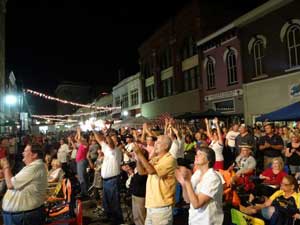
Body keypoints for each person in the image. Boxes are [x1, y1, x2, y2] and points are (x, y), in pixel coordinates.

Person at [1, 144, 48, 225]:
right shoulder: (34, 167)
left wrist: (6, 165)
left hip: (24, 217)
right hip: (21, 216)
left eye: (25, 151)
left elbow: (10, 184)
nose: (23, 153)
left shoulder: (35, 167)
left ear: (34, 155)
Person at [135, 135, 176, 225]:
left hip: (162, 206)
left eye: (158, 142)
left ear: (165, 146)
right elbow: (142, 172)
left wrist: (140, 154)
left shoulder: (170, 159)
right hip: (151, 205)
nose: (155, 144)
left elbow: (151, 170)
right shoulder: (156, 158)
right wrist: (138, 158)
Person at [175, 147, 224, 225]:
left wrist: (187, 181)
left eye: (200, 154)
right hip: (194, 220)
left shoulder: (213, 178)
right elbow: (187, 199)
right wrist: (183, 183)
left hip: (207, 221)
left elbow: (197, 204)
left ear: (209, 159)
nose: (196, 156)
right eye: (196, 154)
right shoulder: (197, 174)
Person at [92, 126, 124, 225]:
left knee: (114, 203)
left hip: (113, 180)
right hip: (106, 180)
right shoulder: (106, 149)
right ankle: (110, 218)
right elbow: (100, 139)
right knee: (107, 202)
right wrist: (93, 129)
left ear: (117, 142)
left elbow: (110, 144)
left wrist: (106, 134)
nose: (108, 140)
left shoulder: (116, 150)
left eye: (112, 138)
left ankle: (118, 221)